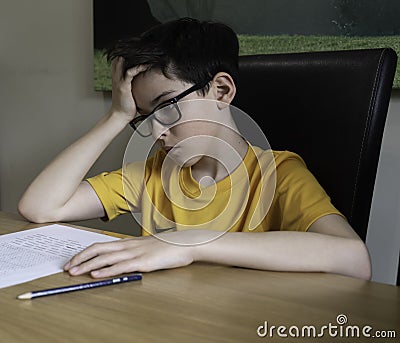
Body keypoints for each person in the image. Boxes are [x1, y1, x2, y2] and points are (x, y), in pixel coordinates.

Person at [18, 17, 371, 280]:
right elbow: (40, 206)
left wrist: (191, 243)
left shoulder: (279, 174)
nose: (155, 130)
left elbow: (354, 259)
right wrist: (116, 115)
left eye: (166, 106)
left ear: (220, 91)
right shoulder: (153, 174)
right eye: (143, 117)